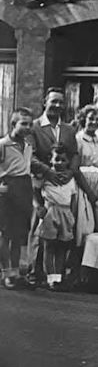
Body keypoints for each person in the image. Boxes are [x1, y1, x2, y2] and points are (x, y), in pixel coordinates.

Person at [28, 88, 80, 286]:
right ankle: (34, 271)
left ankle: (55, 275)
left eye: (61, 102)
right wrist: (48, 171)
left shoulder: (68, 129)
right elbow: (30, 155)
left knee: (59, 236)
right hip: (42, 182)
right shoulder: (34, 128)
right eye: (53, 101)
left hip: (64, 183)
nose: (57, 106)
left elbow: (74, 154)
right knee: (39, 227)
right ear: (44, 102)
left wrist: (70, 172)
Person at [0, 108, 35, 288]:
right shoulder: (3, 144)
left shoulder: (28, 145)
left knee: (20, 234)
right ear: (13, 124)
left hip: (24, 188)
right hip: (7, 191)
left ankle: (16, 272)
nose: (27, 127)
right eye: (23, 123)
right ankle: (6, 274)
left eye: (30, 124)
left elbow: (29, 168)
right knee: (6, 234)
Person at [37, 144, 77, 290]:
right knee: (49, 246)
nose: (60, 163)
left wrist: (71, 216)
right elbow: (35, 190)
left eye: (63, 160)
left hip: (65, 213)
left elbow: (72, 197)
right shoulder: (46, 176)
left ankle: (58, 277)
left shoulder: (70, 178)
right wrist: (39, 206)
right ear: (51, 160)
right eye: (57, 159)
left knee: (61, 246)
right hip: (51, 211)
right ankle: (50, 278)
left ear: (68, 161)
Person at [75, 105, 98, 245]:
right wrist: (89, 192)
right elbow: (75, 168)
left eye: (97, 119)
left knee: (97, 223)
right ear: (84, 119)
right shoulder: (78, 139)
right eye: (91, 119)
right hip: (83, 186)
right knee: (83, 224)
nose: (94, 122)